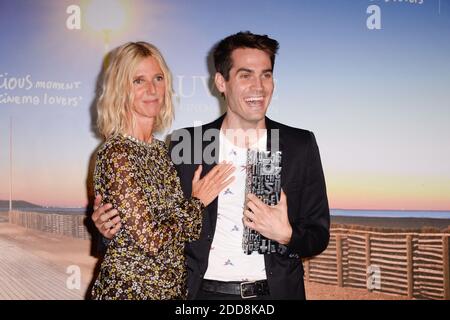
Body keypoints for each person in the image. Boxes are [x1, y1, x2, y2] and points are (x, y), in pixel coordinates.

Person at [92, 32, 330, 300]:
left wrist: (287, 235)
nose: (259, 86)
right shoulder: (188, 143)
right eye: (245, 75)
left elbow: (318, 234)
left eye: (266, 74)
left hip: (275, 294)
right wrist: (107, 229)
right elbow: (155, 219)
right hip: (202, 295)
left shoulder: (298, 144)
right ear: (221, 82)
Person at [90, 41, 234, 300]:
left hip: (171, 291)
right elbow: (151, 239)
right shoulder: (117, 153)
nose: (152, 89)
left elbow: (186, 231)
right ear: (120, 89)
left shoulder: (161, 150)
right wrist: (197, 202)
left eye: (158, 78)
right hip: (129, 293)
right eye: (138, 81)